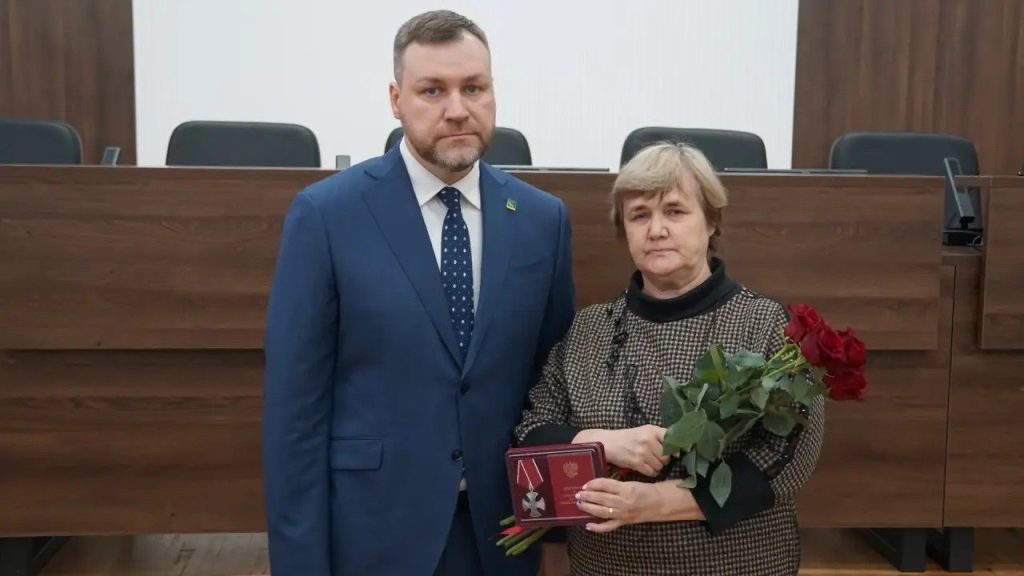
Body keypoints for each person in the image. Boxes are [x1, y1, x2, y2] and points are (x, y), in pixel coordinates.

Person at [262, 10, 575, 576]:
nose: (457, 109)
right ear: (396, 99)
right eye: (433, 90)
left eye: (473, 88)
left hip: (500, 535)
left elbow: (551, 387)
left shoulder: (541, 220)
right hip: (374, 532)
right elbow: (295, 416)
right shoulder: (327, 216)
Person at [514, 143, 825, 576]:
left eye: (675, 211)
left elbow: (787, 461)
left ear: (711, 221)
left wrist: (655, 503)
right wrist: (599, 441)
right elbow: (531, 434)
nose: (656, 230)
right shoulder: (587, 329)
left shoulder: (765, 324)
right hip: (606, 566)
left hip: (735, 564)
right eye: (639, 215)